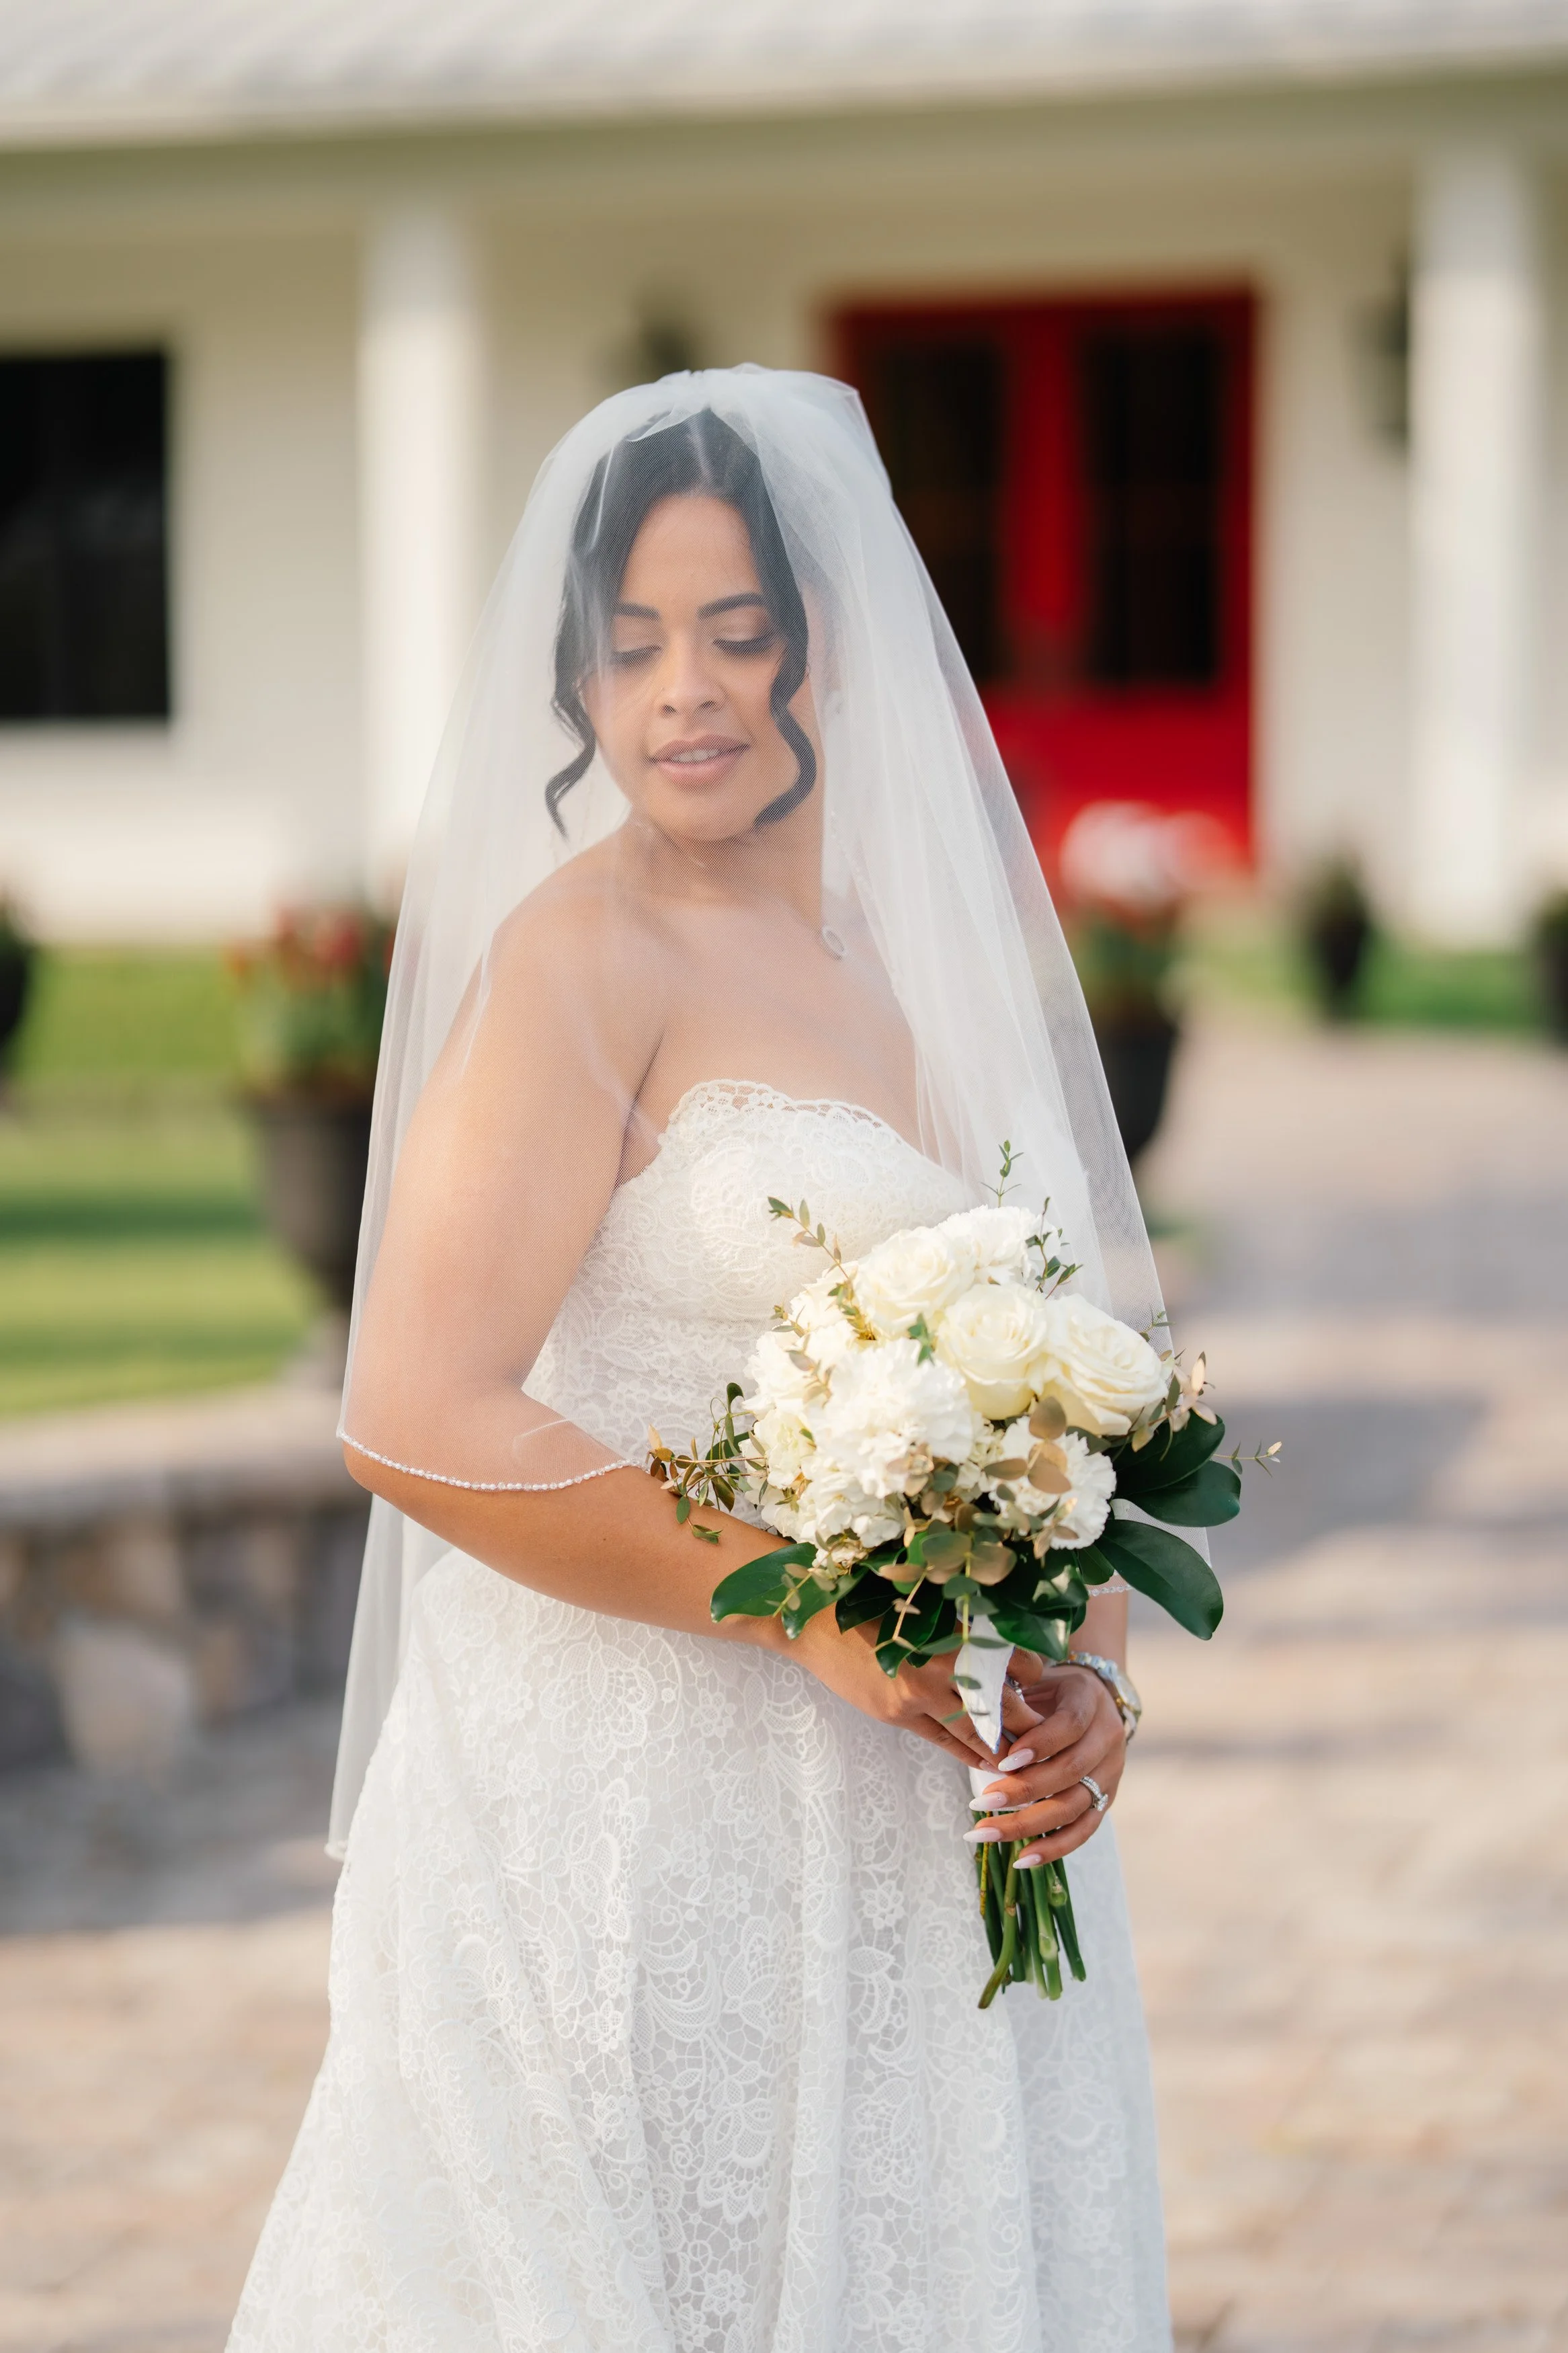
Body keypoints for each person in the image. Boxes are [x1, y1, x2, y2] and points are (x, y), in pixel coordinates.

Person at [228, 368, 1169, 2352]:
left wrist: (1082, 1673)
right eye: (630, 644)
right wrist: (791, 1612)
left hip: (914, 1804)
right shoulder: (583, 964)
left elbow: (1064, 1370)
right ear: (571, 689)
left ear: (826, 652)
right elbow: (417, 1405)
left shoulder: (933, 947)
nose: (686, 693)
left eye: (737, 634)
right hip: (622, 1804)